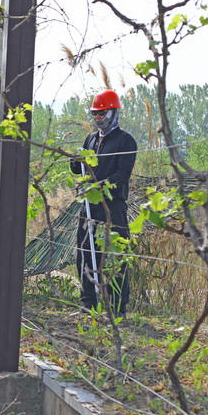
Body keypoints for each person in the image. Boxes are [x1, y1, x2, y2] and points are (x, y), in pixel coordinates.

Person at [70, 90, 138, 315]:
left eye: (102, 113)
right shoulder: (90, 139)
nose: (98, 118)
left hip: (112, 205)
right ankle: (88, 301)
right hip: (89, 205)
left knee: (115, 254)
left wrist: (100, 186)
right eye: (95, 114)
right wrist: (75, 159)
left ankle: (117, 306)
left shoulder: (125, 140)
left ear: (114, 112)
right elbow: (79, 169)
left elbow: (122, 174)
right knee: (85, 251)